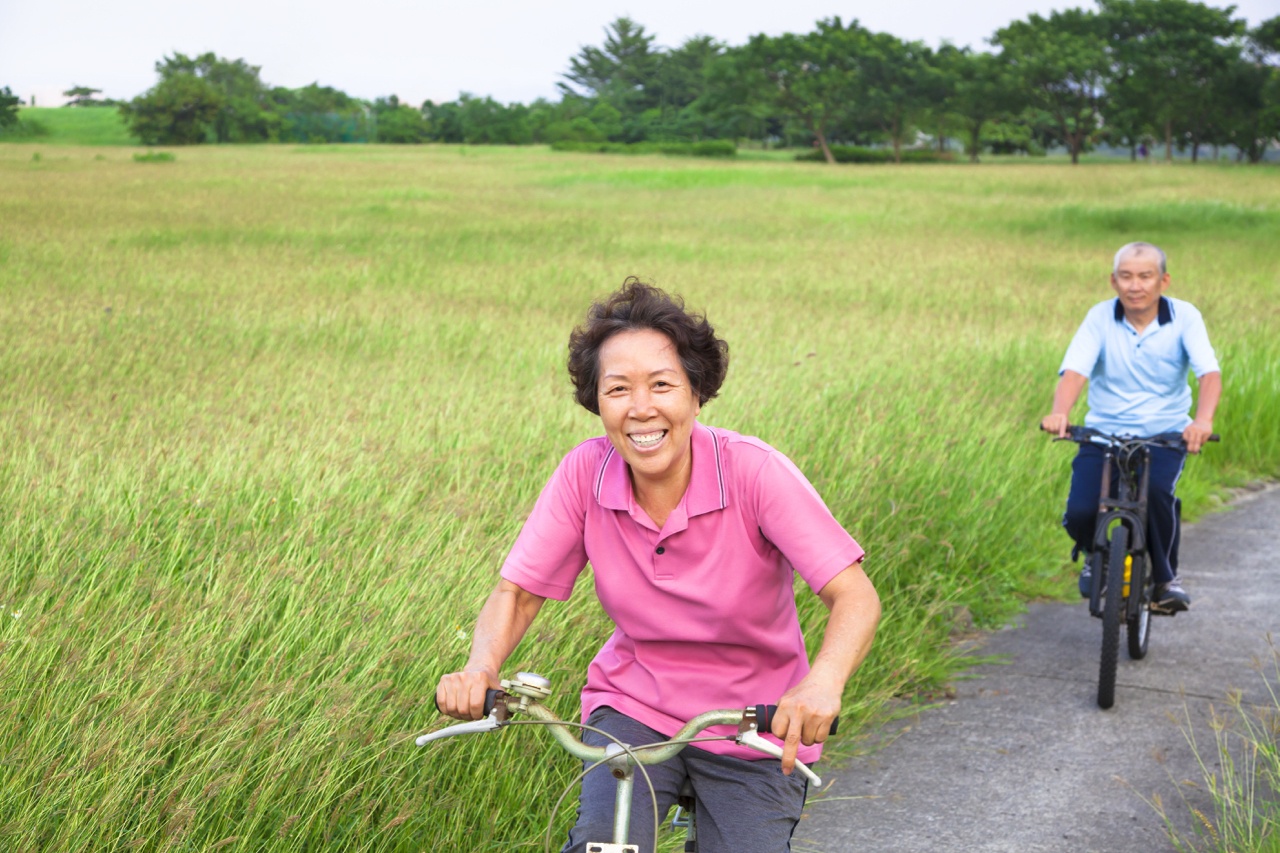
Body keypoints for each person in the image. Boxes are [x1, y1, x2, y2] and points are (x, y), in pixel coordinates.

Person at [436, 278, 881, 852]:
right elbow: (518, 592)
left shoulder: (755, 473)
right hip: (634, 707)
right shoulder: (584, 474)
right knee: (605, 844)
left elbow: (855, 596)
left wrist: (822, 684)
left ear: (696, 393)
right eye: (617, 389)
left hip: (754, 721)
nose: (641, 409)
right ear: (596, 401)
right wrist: (481, 667)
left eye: (662, 385)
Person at [1041, 242, 1221, 612]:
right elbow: (1075, 371)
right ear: (1113, 280)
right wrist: (1060, 412)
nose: (1134, 285)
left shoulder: (1185, 317)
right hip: (1105, 433)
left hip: (1166, 432)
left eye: (1145, 276)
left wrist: (1202, 421)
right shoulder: (1100, 317)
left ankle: (1165, 578)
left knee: (1157, 494)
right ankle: (1096, 554)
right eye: (1126, 276)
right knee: (1080, 510)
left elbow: (1208, 374)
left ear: (1163, 281)